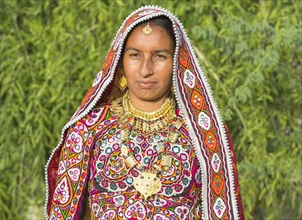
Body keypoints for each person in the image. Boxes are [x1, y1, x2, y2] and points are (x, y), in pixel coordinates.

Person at [45, 5, 245, 220]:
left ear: (177, 62)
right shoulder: (87, 130)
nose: (145, 70)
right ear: (120, 61)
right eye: (135, 55)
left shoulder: (205, 136)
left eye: (159, 56)